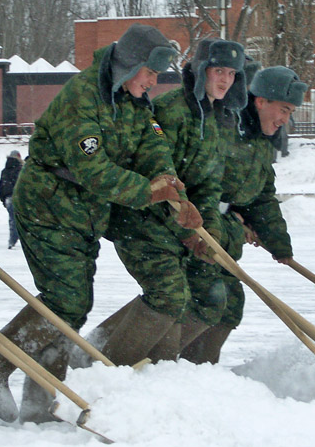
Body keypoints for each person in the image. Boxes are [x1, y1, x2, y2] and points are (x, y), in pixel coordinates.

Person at [0, 23, 203, 424]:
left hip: (85, 214)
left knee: (72, 304)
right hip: (49, 205)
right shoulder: (83, 97)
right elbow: (95, 171)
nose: (155, 82)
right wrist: (149, 192)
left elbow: (153, 144)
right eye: (150, 73)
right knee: (66, 301)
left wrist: (169, 182)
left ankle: (42, 400)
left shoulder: (133, 99)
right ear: (129, 66)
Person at [69, 37, 248, 370]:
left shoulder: (215, 121)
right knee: (169, 295)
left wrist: (204, 229)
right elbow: (156, 176)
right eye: (218, 70)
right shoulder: (170, 111)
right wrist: (185, 231)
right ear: (201, 71)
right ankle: (104, 376)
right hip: (140, 219)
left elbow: (207, 185)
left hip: (174, 222)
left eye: (232, 74)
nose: (225, 80)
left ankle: (129, 368)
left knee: (183, 298)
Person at [177, 65, 306, 366]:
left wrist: (280, 246)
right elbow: (202, 188)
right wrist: (229, 225)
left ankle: (197, 371)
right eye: (283, 110)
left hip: (221, 230)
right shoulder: (224, 129)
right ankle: (167, 366)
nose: (285, 120)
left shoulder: (261, 143)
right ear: (261, 101)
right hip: (196, 228)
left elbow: (261, 196)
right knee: (210, 299)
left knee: (230, 304)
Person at [0, 150, 23, 249]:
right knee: (18, 220)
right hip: (17, 197)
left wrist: (3, 199)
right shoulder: (20, 169)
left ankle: (12, 239)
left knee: (12, 220)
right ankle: (13, 240)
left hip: (8, 198)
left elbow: (1, 186)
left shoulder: (5, 171)